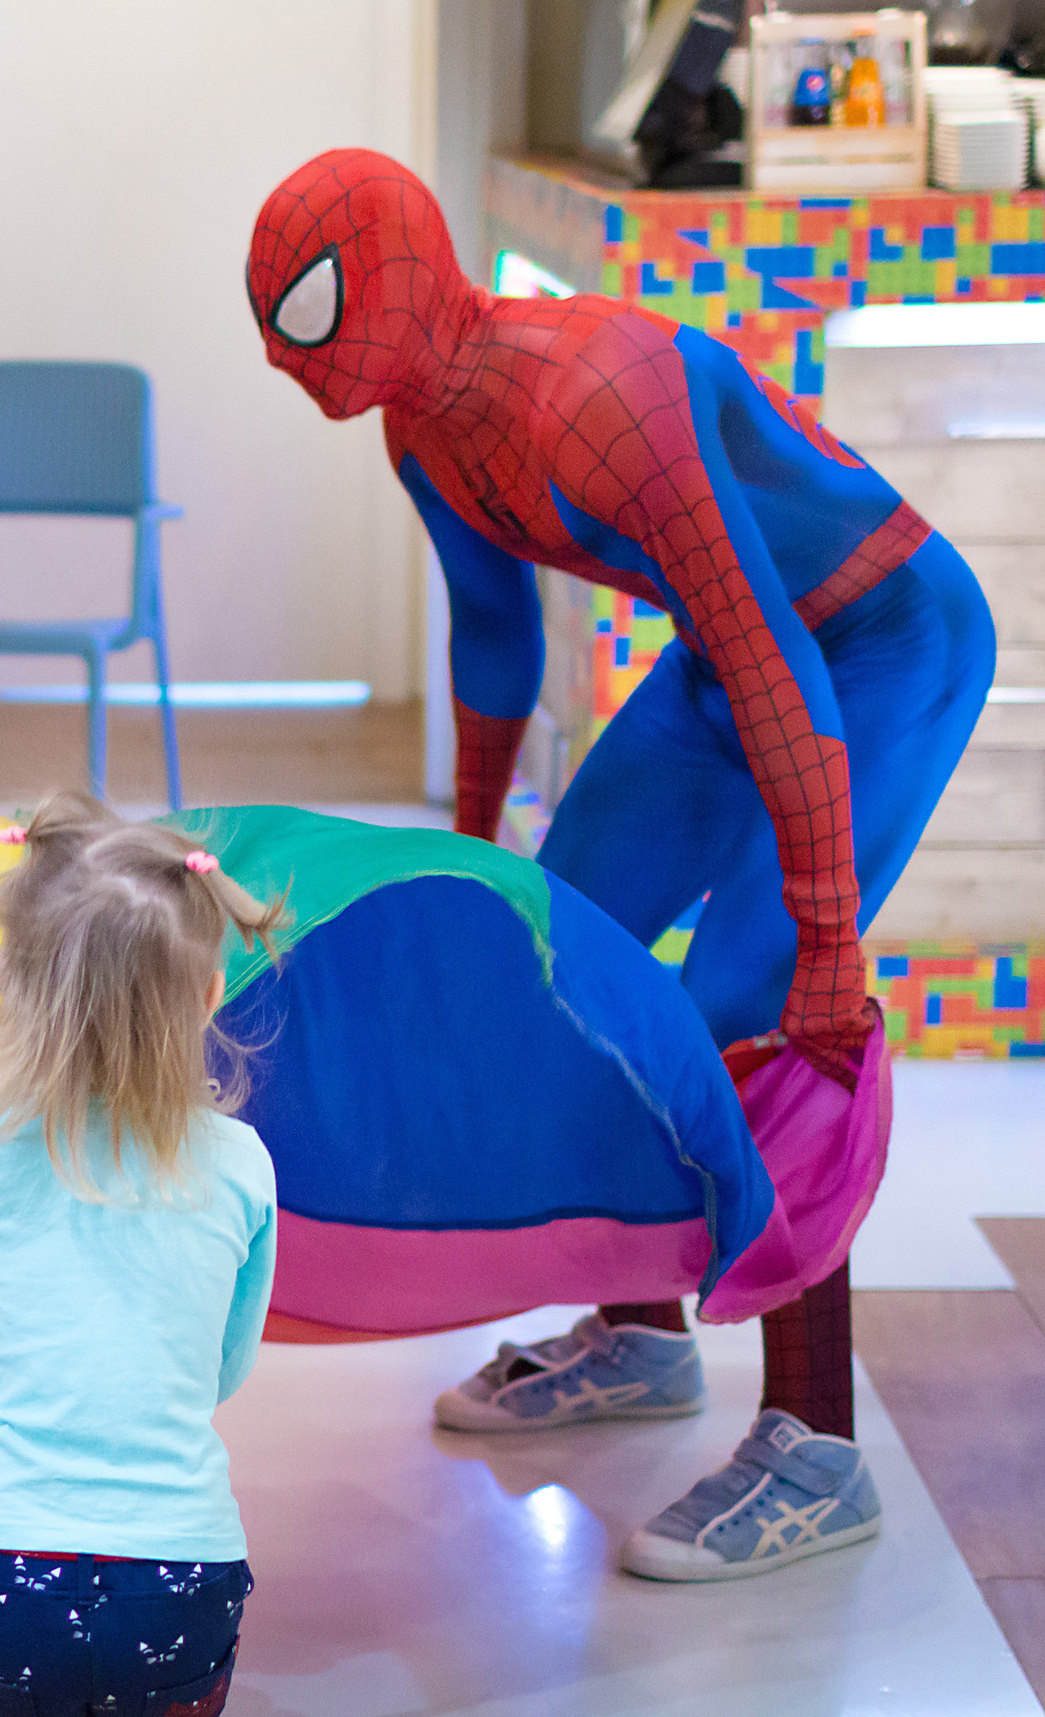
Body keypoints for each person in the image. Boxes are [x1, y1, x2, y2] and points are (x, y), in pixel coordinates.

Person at [247, 149, 990, 1579]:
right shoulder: (421, 429)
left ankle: (820, 1443)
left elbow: (783, 658)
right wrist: (477, 865)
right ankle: (645, 1334)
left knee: (758, 1012)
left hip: (881, 643)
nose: (291, 354)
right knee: (565, 945)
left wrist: (825, 936)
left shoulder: (597, 391)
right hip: (739, 656)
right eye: (272, 322)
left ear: (397, 273)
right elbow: (494, 639)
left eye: (313, 309)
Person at [0, 794, 283, 1717]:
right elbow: (221, 1373)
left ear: (12, 980)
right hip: (182, 1567)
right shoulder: (242, 1164)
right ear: (206, 995)